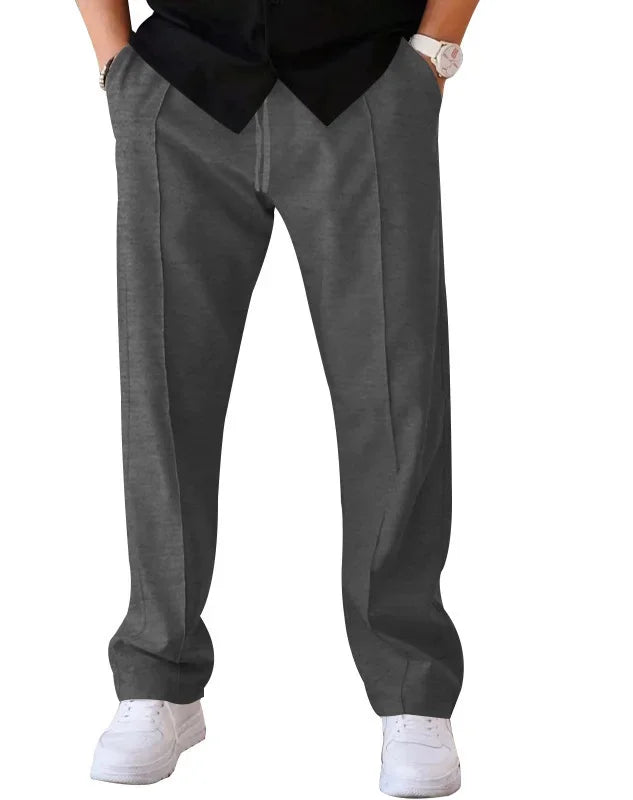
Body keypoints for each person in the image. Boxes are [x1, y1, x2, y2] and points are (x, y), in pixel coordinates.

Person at [76, 1, 479, 795]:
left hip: (364, 76)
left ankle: (413, 690)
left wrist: (435, 52)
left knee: (394, 394)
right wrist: (115, 62)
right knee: (164, 393)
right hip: (181, 81)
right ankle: (158, 678)